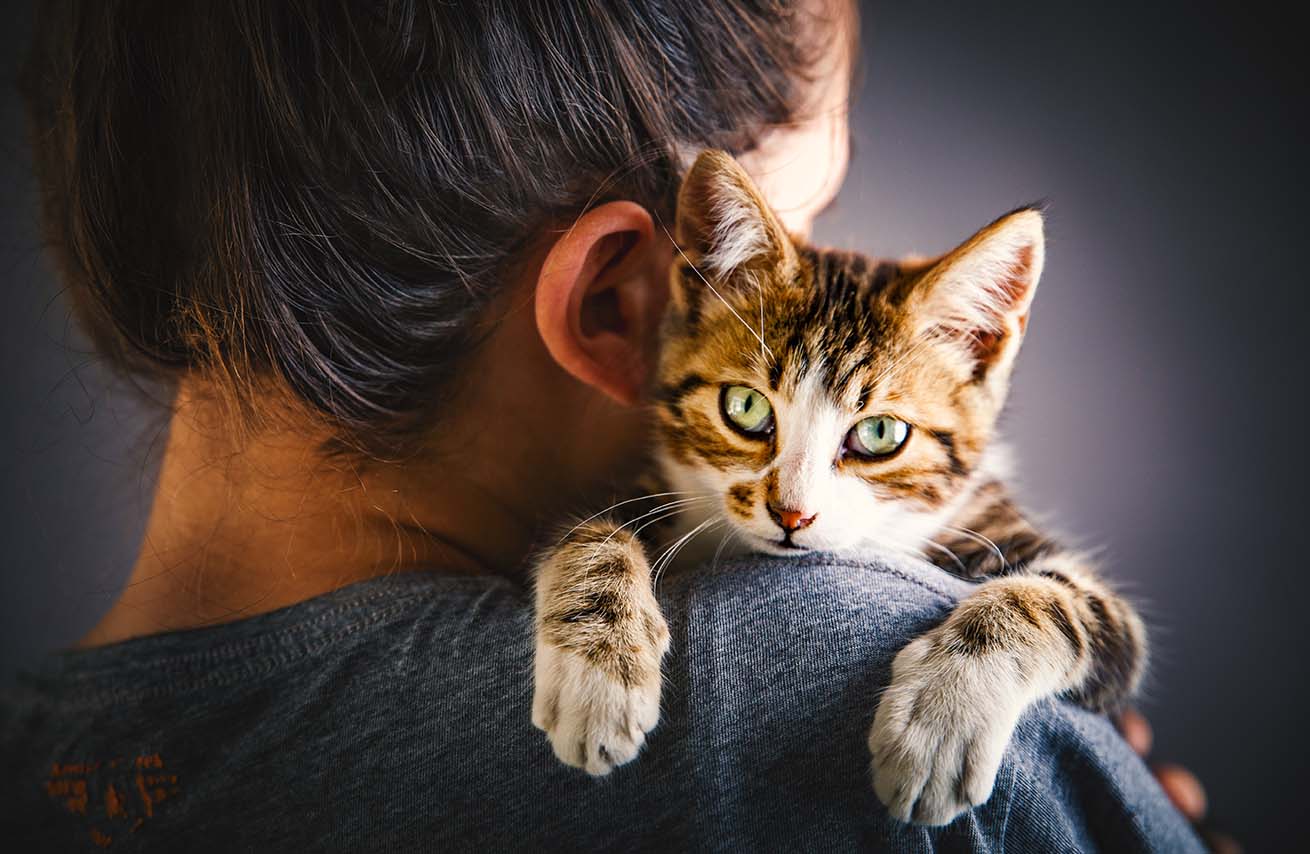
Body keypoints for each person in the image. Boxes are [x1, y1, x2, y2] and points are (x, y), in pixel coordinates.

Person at [2, 1, 1217, 850]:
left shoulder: (36, 775)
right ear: (612, 300)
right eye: (811, 213)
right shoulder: (829, 678)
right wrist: (1075, 805)